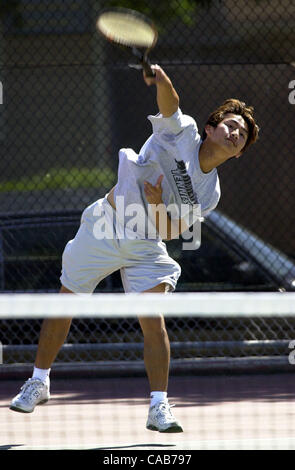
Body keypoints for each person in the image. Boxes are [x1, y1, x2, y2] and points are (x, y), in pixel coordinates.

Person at [10, 65, 259, 432]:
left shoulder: (211, 193)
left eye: (242, 135)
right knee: (66, 300)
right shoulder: (184, 132)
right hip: (107, 224)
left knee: (152, 318)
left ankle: (159, 407)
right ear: (210, 128)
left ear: (238, 154)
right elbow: (171, 104)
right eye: (231, 125)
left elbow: (170, 229)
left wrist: (157, 203)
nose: (236, 132)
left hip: (146, 243)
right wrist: (161, 80)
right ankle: (39, 380)